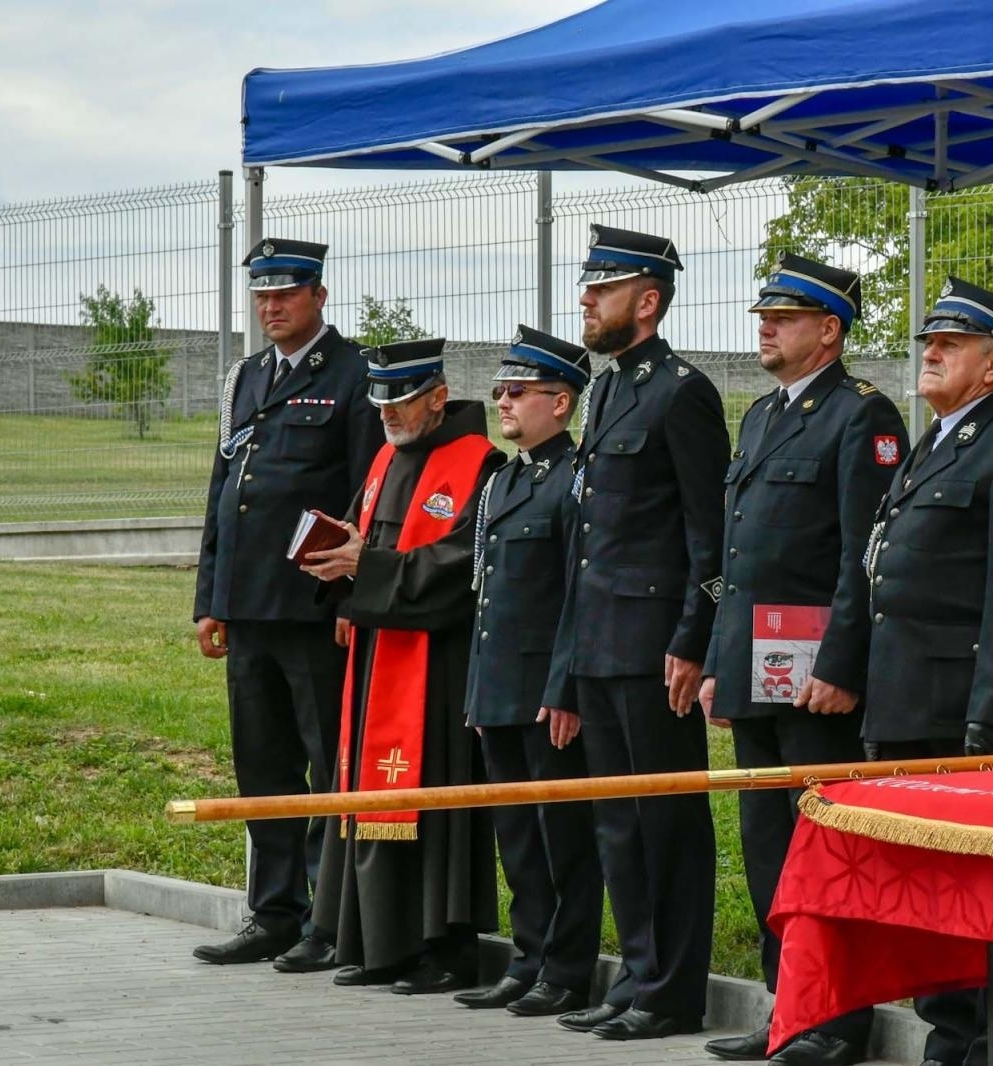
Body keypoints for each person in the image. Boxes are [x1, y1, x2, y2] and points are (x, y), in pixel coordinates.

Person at [698, 255, 906, 1066]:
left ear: (830, 330)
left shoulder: (863, 416)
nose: (765, 327)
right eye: (764, 315)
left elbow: (865, 556)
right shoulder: (760, 417)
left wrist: (842, 663)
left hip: (817, 678)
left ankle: (837, 1019)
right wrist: (719, 658)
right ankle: (789, 1008)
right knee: (767, 848)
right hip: (756, 665)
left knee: (824, 850)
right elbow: (738, 556)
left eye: (784, 317)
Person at [861, 277, 993, 1066]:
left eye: (948, 345)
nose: (929, 354)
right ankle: (949, 1042)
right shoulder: (938, 440)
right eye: (927, 342)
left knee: (987, 902)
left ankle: (989, 1052)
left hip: (969, 715)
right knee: (931, 900)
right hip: (907, 706)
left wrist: (989, 719)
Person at [540, 224, 729, 1041]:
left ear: (647, 301)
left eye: (603, 288)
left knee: (667, 822)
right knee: (618, 822)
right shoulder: (612, 388)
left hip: (656, 648)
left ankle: (674, 988)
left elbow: (707, 538)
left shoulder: (682, 393)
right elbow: (591, 542)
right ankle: (640, 971)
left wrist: (693, 638)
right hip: (601, 643)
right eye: (588, 286)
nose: (587, 299)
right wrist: (570, 662)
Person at [191, 238, 381, 968]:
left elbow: (368, 497)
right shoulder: (245, 376)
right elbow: (224, 493)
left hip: (312, 609)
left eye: (287, 294)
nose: (272, 307)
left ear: (319, 296)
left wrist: (351, 602)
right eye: (262, 296)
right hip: (248, 609)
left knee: (326, 765)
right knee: (262, 768)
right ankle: (272, 913)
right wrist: (210, 598)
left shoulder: (354, 374)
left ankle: (329, 920)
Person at [301, 339, 506, 994]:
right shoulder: (386, 456)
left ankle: (439, 950)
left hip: (436, 666)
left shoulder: (481, 464)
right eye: (380, 399)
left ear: (439, 397)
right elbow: (367, 541)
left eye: (403, 400)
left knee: (434, 807)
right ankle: (373, 944)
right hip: (374, 656)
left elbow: (456, 571)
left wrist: (369, 569)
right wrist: (341, 567)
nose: (388, 412)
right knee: (362, 794)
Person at [455, 327, 603, 1018]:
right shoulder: (503, 480)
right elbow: (487, 591)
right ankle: (529, 956)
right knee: (517, 835)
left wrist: (565, 688)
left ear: (562, 402)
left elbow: (579, 595)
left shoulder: (576, 480)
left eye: (519, 391)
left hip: (547, 692)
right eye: (500, 391)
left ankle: (567, 968)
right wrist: (479, 688)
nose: (504, 401)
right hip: (501, 686)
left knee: (561, 838)